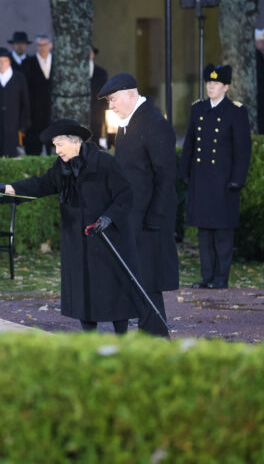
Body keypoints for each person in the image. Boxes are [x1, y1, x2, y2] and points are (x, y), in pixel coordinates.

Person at [0, 119, 166, 336]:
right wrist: (6, 189)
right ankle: (88, 339)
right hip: (78, 241)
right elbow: (39, 185)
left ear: (75, 142)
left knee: (114, 290)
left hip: (108, 238)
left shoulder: (104, 162)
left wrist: (108, 218)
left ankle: (121, 338)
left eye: (60, 145)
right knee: (83, 291)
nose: (57, 150)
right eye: (55, 145)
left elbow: (125, 195)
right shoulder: (62, 168)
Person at [97, 73, 178, 334]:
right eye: (109, 101)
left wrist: (156, 217)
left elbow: (166, 175)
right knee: (135, 280)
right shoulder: (128, 123)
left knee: (148, 282)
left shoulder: (153, 123)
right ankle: (146, 337)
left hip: (148, 222)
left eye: (113, 100)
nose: (111, 106)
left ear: (132, 95)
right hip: (131, 219)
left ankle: (156, 339)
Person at [179, 64, 252, 290]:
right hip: (201, 180)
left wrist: (237, 180)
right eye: (209, 82)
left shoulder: (235, 112)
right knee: (204, 232)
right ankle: (207, 276)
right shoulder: (198, 109)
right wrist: (184, 172)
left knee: (222, 232)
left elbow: (243, 150)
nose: (211, 86)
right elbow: (189, 143)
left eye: (216, 83)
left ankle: (221, 277)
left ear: (226, 87)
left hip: (223, 183)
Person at [22, 34, 53, 155]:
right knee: (34, 147)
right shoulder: (28, 63)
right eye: (39, 45)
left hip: (53, 112)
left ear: (50, 45)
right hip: (34, 113)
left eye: (45, 44)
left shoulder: (58, 62)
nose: (42, 48)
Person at [89, 47, 109, 146]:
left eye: (90, 52)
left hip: (96, 113)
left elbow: (104, 95)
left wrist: (103, 112)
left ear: (93, 54)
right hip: (79, 112)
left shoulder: (101, 73)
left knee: (95, 140)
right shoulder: (74, 73)